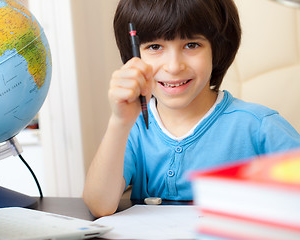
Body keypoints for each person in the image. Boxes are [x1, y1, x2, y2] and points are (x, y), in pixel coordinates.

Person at [83, 0, 300, 217]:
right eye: (155, 47)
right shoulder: (133, 129)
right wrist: (119, 122)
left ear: (217, 49)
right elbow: (100, 205)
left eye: (192, 45)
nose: (174, 66)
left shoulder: (259, 126)